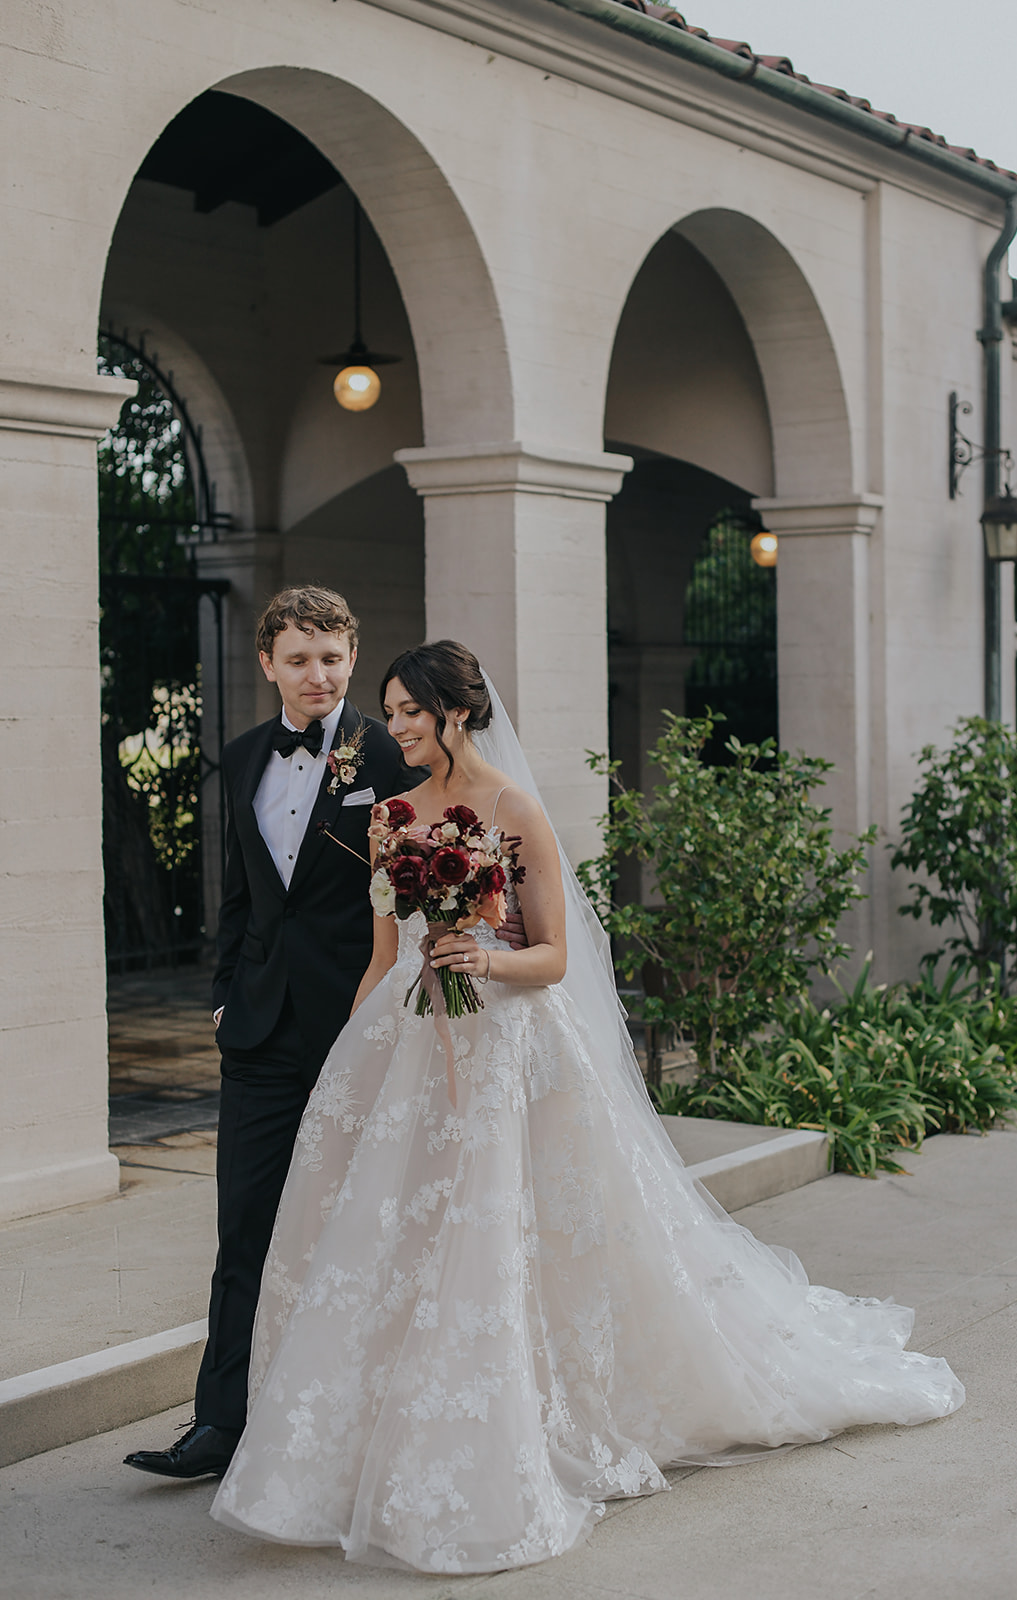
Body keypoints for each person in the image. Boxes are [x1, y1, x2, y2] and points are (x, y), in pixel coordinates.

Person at [210, 640, 964, 1573]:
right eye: (391, 711)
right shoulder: (390, 813)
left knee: (498, 1239)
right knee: (393, 1238)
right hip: (406, 1045)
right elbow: (380, 954)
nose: (394, 727)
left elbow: (553, 959)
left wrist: (479, 957)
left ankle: (504, 1432)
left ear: (456, 714)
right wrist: (348, 1062)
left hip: (505, 1048)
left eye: (409, 711)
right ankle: (365, 1440)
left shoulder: (514, 809)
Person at [124, 593, 519, 1481]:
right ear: (267, 662)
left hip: (370, 1032)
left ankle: (344, 1422)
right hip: (261, 1034)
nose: (320, 676)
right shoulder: (238, 760)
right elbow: (242, 902)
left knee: (360, 1228)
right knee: (248, 1230)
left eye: (334, 658)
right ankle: (221, 1423)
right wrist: (226, 1002)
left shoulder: (398, 750)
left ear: (353, 658)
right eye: (300, 659)